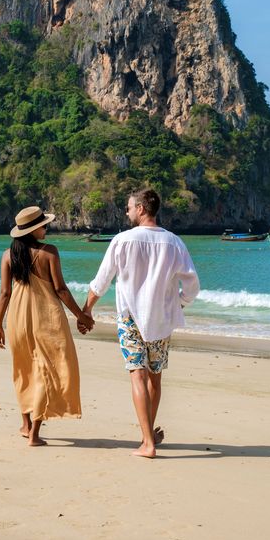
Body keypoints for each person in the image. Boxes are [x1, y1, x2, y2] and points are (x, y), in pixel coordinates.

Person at [83, 189, 200, 459]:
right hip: (161, 319)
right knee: (155, 378)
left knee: (137, 375)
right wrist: (179, 303)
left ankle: (148, 442)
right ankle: (147, 438)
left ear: (141, 209)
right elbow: (193, 285)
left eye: (129, 207)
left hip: (130, 317)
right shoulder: (174, 243)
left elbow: (101, 281)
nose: (126, 212)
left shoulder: (122, 240)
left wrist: (86, 310)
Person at [0, 205, 94, 447]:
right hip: (46, 318)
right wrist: (81, 316)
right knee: (46, 370)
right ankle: (34, 434)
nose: (46, 228)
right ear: (32, 230)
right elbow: (60, 290)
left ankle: (26, 424)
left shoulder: (8, 255)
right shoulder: (49, 252)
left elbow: (5, 293)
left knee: (24, 369)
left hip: (17, 318)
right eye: (43, 225)